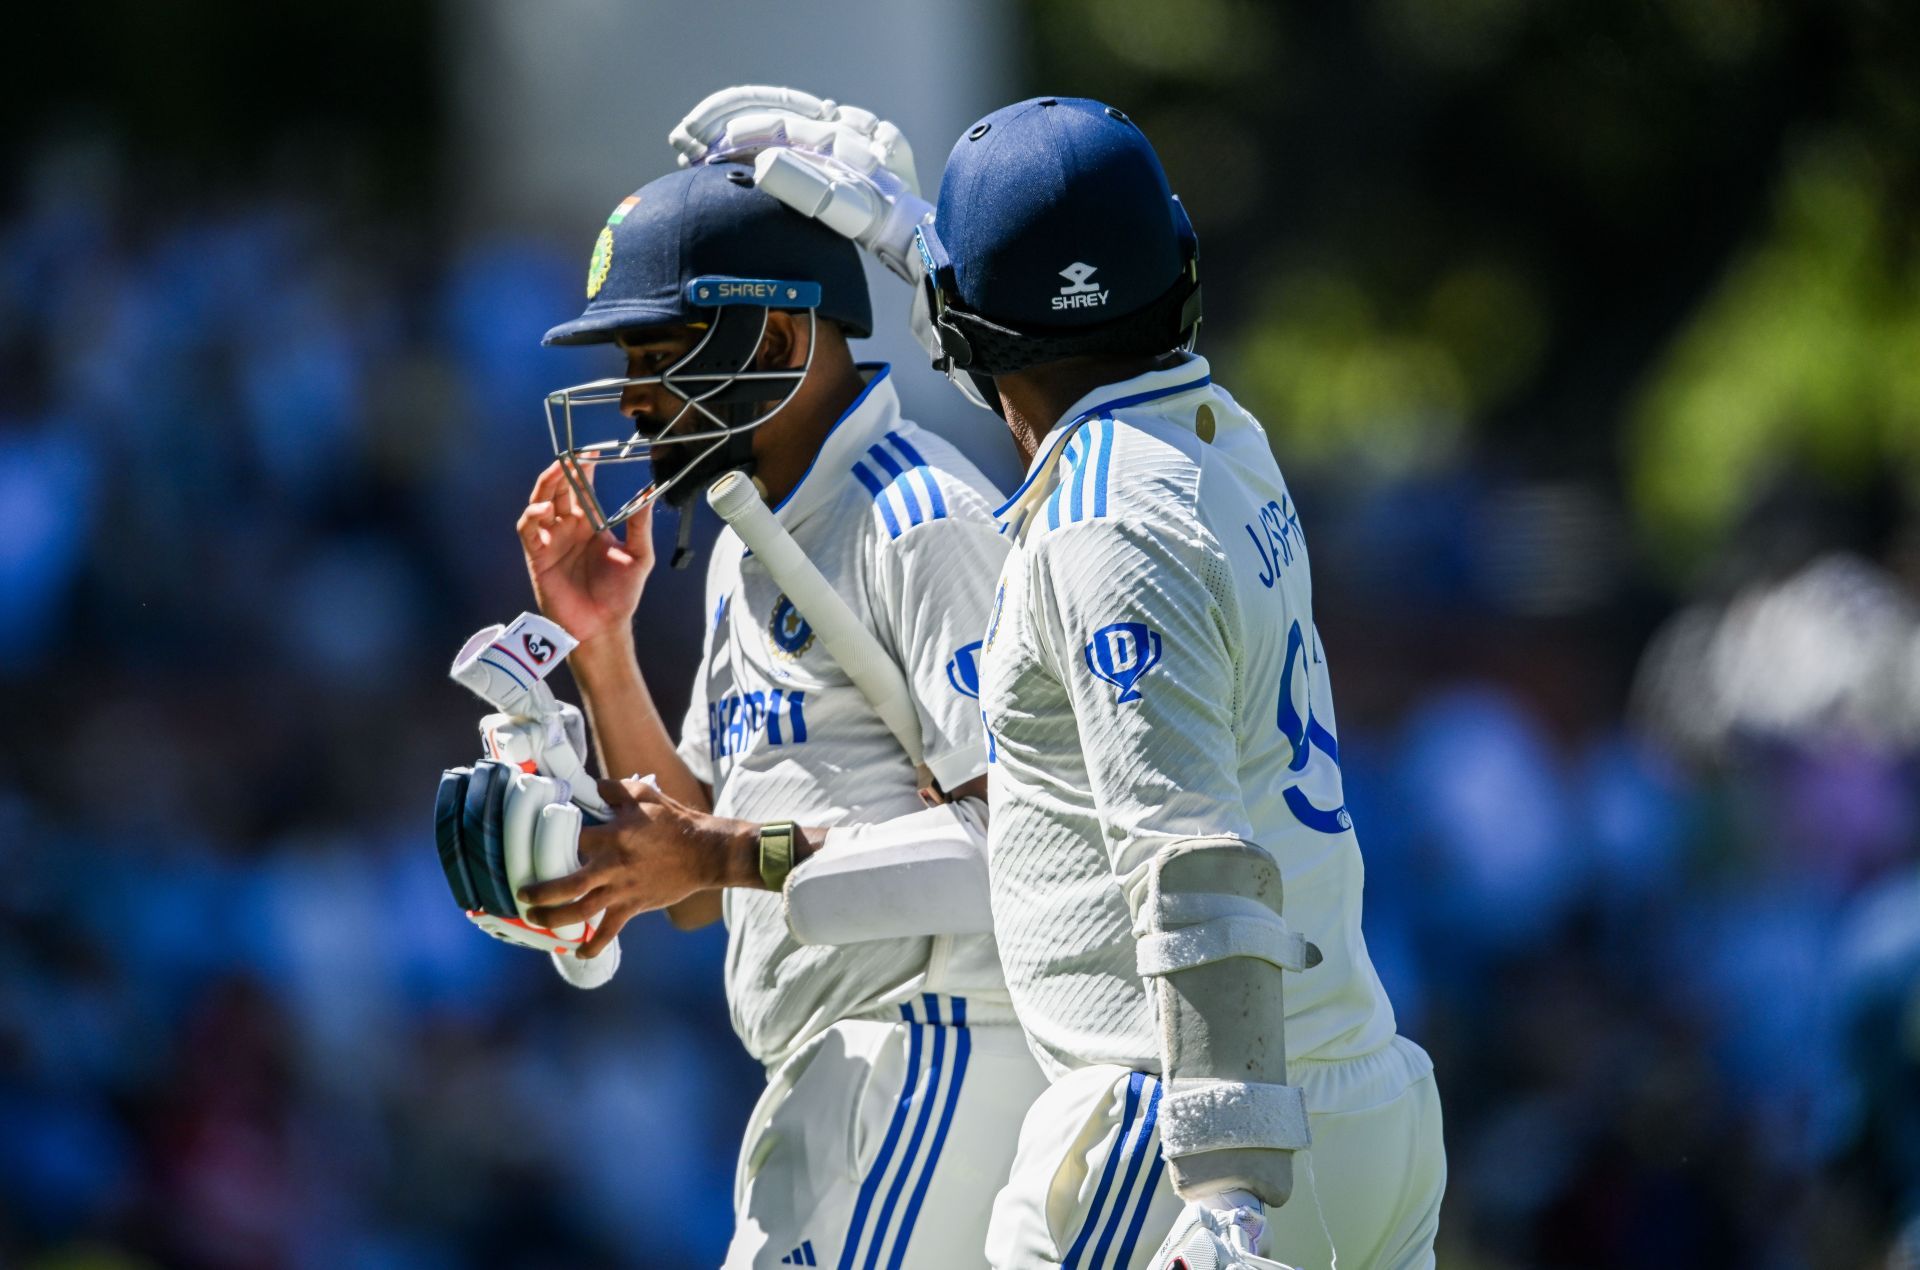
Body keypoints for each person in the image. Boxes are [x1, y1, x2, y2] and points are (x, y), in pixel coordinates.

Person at [680, 93, 1446, 1268]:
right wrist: (926, 241)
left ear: (966, 326)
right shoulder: (1218, 433)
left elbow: (1191, 868)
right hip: (1367, 1101)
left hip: (1180, 1132)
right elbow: (1069, 368)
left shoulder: (1098, 525)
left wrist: (1227, 1194)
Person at [507, 154, 1046, 1269]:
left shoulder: (917, 515)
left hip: (935, 1044)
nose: (636, 396)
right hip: (828, 1072)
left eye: (662, 354)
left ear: (784, 342)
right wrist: (603, 647)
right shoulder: (751, 543)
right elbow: (702, 880)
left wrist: (708, 850)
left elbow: (1026, 844)